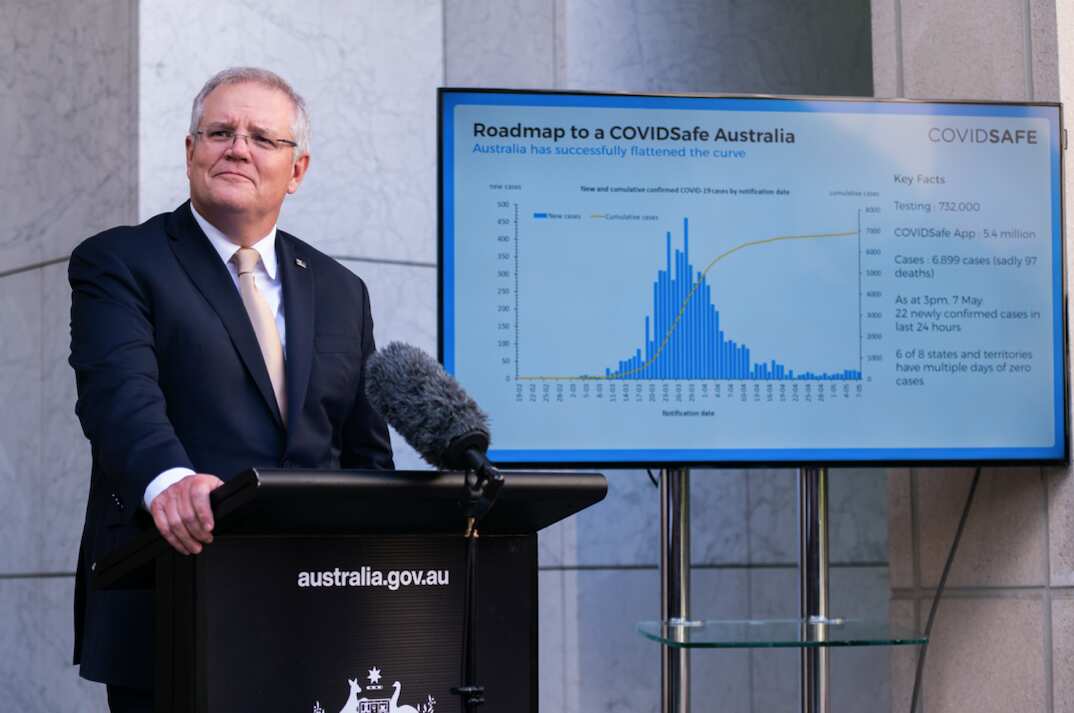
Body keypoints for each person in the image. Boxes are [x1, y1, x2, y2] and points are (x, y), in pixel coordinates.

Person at [68, 67, 395, 712]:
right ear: (191, 153)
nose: (237, 147)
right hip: (172, 594)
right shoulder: (121, 261)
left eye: (261, 138)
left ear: (296, 170)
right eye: (219, 132)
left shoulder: (339, 290)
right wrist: (170, 481)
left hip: (315, 613)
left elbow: (365, 452)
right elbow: (119, 395)